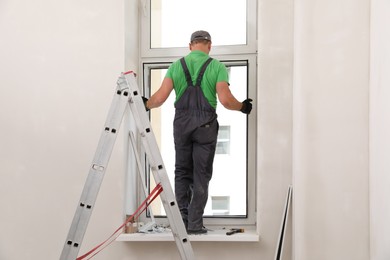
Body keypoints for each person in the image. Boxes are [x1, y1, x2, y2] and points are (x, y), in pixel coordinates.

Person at [142, 30, 253, 234]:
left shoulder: (176, 66)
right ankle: (194, 224)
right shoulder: (217, 67)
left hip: (182, 124)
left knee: (182, 172)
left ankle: (182, 222)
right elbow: (227, 101)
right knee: (201, 174)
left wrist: (146, 104)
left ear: (190, 45)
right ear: (209, 45)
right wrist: (243, 107)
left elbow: (159, 98)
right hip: (205, 126)